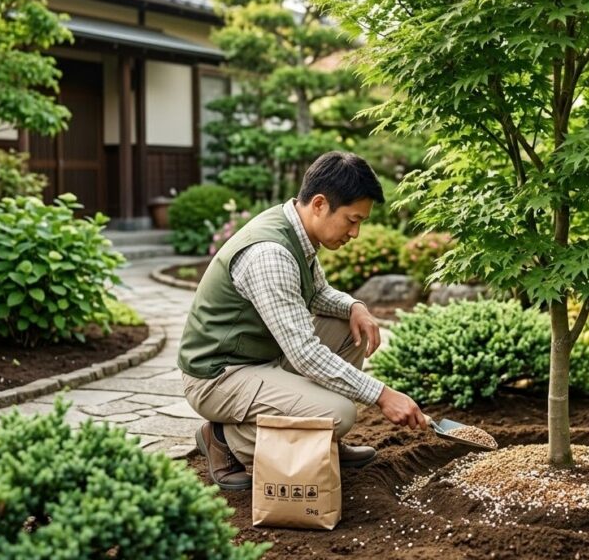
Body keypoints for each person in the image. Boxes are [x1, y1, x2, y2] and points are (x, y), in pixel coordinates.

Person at [179, 151, 427, 490]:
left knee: (347, 329)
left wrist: (354, 306)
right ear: (321, 204)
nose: (355, 233)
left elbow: (318, 294)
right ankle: (223, 437)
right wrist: (383, 395)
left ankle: (319, 440)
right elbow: (305, 354)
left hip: (258, 360)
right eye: (352, 220)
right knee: (339, 413)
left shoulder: (296, 229)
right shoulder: (271, 253)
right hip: (219, 376)